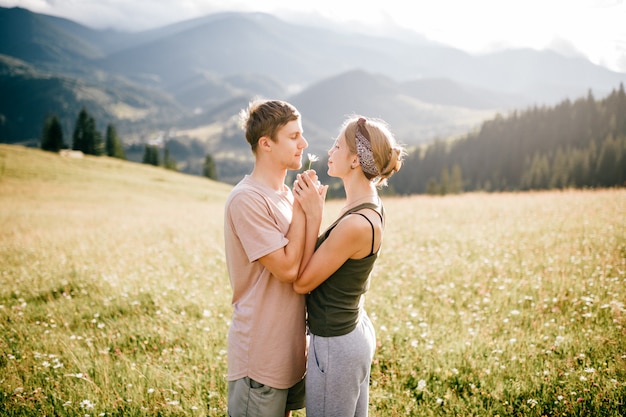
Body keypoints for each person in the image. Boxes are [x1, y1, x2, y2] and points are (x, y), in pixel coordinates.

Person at [292, 116, 405, 417]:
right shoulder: (367, 204)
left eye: (337, 145)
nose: (330, 151)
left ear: (355, 160)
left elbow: (302, 283)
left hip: (336, 343)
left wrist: (313, 216)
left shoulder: (356, 223)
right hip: (352, 331)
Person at [223, 99, 327, 417]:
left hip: (291, 352)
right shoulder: (247, 199)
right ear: (266, 144)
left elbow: (302, 266)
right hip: (260, 355)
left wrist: (313, 213)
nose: (304, 143)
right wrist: (304, 211)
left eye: (302, 135)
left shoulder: (284, 195)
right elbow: (286, 268)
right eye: (294, 136)